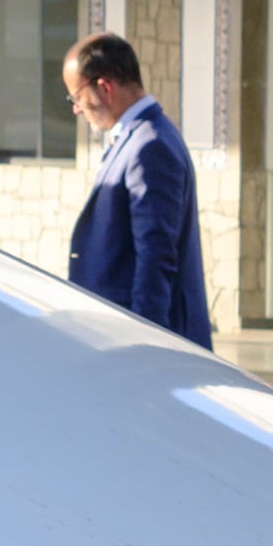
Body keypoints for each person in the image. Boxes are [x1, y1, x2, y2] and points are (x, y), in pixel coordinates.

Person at [60, 30, 211, 341]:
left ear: (104, 86)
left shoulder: (150, 146)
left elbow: (155, 258)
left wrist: (145, 342)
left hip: (143, 342)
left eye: (76, 97)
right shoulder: (138, 139)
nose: (76, 109)